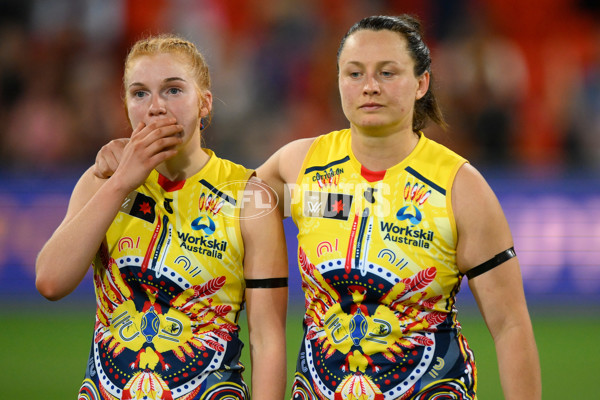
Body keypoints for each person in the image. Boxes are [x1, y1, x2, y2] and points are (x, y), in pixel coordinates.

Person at [94, 15, 541, 400]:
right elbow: (210, 192)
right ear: (338, 81)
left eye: (388, 72)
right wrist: (126, 163)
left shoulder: (461, 188)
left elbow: (510, 327)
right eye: (354, 73)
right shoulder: (297, 166)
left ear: (421, 82)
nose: (369, 87)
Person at [35, 34, 288, 400]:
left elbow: (266, 339)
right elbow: (50, 282)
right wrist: (121, 182)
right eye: (140, 93)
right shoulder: (103, 180)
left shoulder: (249, 196)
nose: (155, 107)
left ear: (205, 103)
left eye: (173, 90)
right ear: (126, 107)